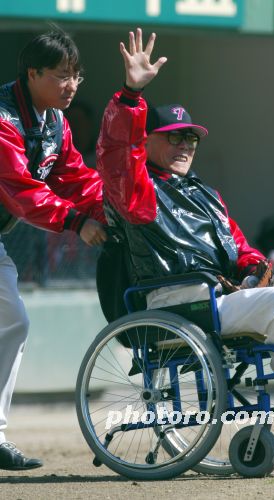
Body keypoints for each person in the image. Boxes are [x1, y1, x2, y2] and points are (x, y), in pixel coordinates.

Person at [96, 28, 274, 461]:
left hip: (221, 298)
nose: (185, 145)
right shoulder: (136, 190)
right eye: (173, 136)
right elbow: (116, 152)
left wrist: (254, 268)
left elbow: (241, 248)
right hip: (178, 300)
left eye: (190, 138)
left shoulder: (205, 194)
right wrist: (131, 94)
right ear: (146, 142)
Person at [0, 28, 107, 470]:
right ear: (33, 73)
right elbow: (21, 190)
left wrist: (115, 205)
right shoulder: (3, 118)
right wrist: (76, 222)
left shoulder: (54, 123)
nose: (73, 85)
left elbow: (74, 177)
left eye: (76, 75)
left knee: (13, 323)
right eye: (62, 75)